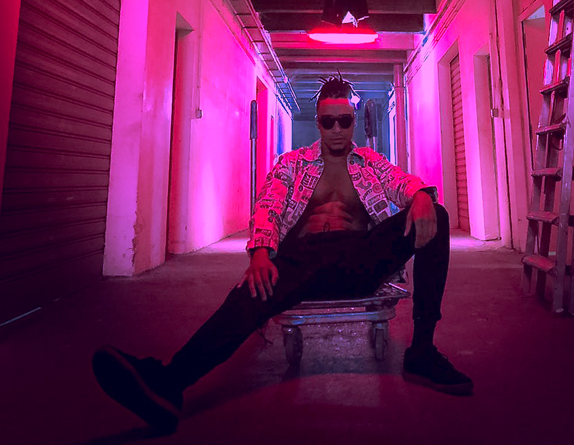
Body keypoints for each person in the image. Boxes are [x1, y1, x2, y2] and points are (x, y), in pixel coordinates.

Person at [92, 75, 473, 433]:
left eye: (344, 121)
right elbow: (269, 206)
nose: (336, 129)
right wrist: (260, 252)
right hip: (301, 261)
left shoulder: (370, 163)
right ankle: (167, 383)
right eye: (328, 122)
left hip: (359, 261)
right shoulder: (292, 163)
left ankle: (423, 351)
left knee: (435, 214)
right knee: (249, 295)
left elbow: (401, 182)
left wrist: (421, 195)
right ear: (318, 122)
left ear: (353, 122)